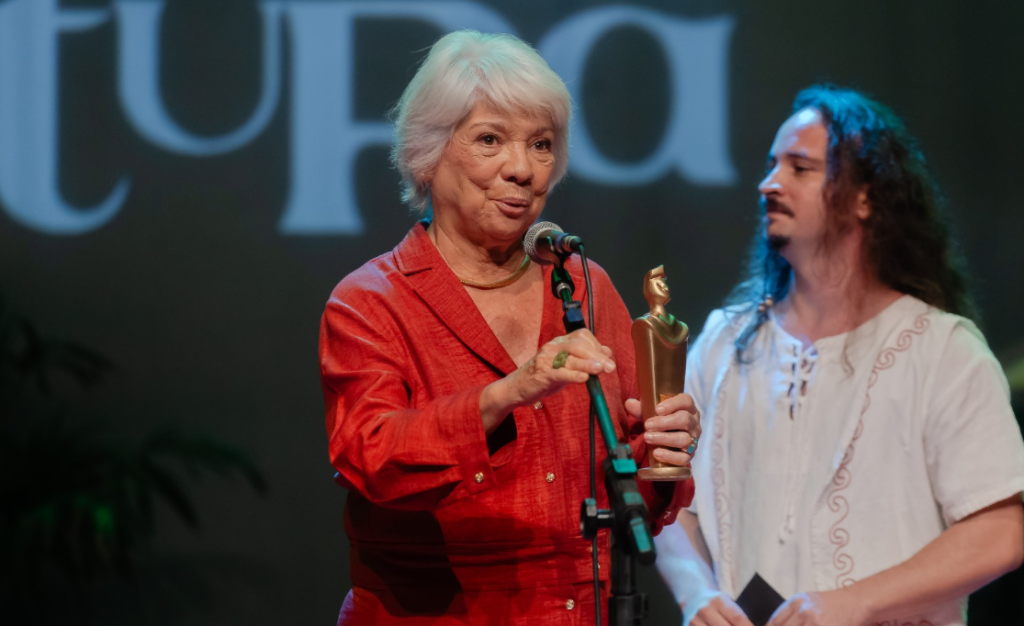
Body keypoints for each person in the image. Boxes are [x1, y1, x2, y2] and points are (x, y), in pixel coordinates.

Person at [319, 30, 698, 625]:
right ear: (428, 153)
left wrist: (663, 452)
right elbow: (372, 456)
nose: (522, 169)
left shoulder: (583, 285)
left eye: (541, 145)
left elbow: (633, 497)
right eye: (490, 140)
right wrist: (506, 394)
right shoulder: (371, 301)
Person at [655, 85, 1024, 626]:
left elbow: (1001, 531)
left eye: (800, 167)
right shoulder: (724, 342)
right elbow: (669, 500)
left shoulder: (943, 349)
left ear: (864, 198)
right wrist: (696, 592)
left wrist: (854, 601)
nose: (769, 183)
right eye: (771, 164)